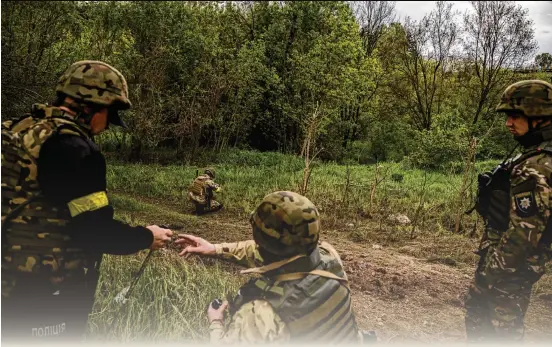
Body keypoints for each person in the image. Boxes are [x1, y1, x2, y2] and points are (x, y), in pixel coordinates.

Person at [1, 60, 173, 344]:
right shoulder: (76, 149)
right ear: (95, 109)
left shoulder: (17, 129)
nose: (105, 128)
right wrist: (146, 236)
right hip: (44, 294)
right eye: (111, 116)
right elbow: (94, 232)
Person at [176, 191, 362, 344]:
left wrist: (216, 322)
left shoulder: (260, 314)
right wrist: (215, 248)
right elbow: (267, 251)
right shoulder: (329, 255)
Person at [465, 80, 552, 342]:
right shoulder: (539, 156)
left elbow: (522, 236)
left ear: (538, 117)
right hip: (519, 266)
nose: (508, 123)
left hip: (509, 270)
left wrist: (487, 276)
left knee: (496, 330)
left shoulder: (535, 167)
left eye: (515, 116)